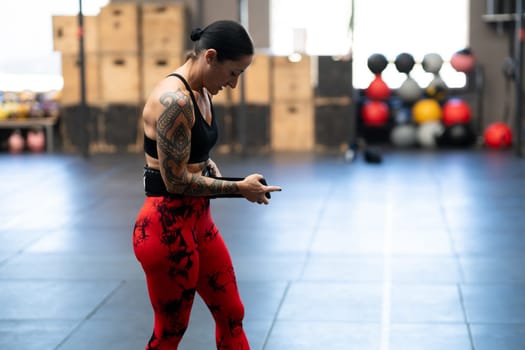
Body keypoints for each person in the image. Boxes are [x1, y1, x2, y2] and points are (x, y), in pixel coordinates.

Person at [132, 20, 281, 350]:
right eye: (233, 73)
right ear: (210, 57)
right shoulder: (175, 101)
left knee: (232, 312)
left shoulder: (201, 91)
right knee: (169, 332)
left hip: (199, 221)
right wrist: (238, 188)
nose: (234, 84)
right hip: (166, 227)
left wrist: (218, 172)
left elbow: (195, 157)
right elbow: (175, 181)